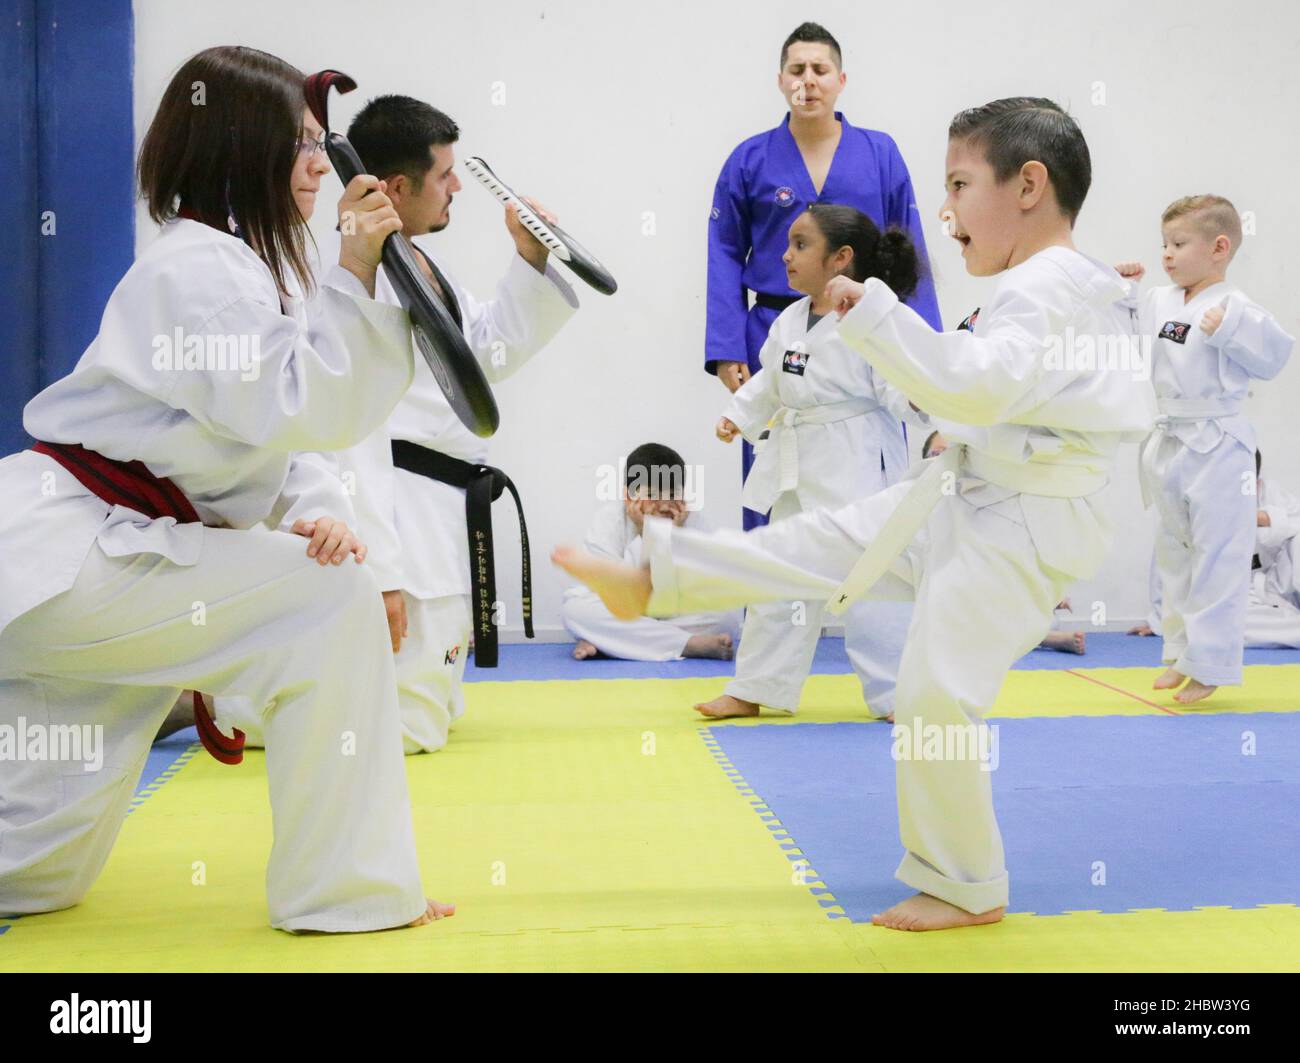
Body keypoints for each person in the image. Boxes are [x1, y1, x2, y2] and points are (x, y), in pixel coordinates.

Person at [556, 98, 1156, 931]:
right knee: (818, 542)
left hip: (1027, 518)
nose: (943, 210)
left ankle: (964, 881)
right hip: (982, 490)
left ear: (1029, 185)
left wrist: (873, 312)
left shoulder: (1050, 286)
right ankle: (655, 577)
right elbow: (1009, 386)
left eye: (958, 183)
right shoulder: (1054, 285)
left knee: (934, 688)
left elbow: (977, 381)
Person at [0, 47, 451, 931]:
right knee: (331, 604)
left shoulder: (239, 269)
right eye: (303, 143)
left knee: (31, 868)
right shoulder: (197, 270)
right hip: (82, 560)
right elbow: (304, 401)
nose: (322, 164)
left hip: (75, 576)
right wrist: (357, 269)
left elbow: (272, 443)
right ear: (243, 146)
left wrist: (318, 514)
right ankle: (350, 892)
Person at [219, 95, 579, 755]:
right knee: (411, 730)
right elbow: (348, 438)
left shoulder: (416, 265)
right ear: (394, 188)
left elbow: (482, 356)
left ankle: (234, 696)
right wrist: (377, 573)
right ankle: (221, 704)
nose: (457, 188)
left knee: (437, 705)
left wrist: (529, 258)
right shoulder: (354, 283)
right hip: (396, 518)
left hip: (438, 514)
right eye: (444, 175)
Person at [707, 21, 941, 530]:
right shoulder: (748, 160)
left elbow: (911, 245)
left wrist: (926, 352)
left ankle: (864, 603)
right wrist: (726, 347)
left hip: (869, 327)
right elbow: (725, 250)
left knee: (869, 486)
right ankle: (770, 601)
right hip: (773, 328)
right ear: (780, 80)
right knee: (771, 473)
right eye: (797, 69)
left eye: (820, 69)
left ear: (841, 79)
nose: (808, 80)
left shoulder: (880, 154)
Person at [698, 205, 924, 720]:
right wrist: (739, 413)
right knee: (779, 574)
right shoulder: (790, 319)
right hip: (799, 467)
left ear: (841, 258)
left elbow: (902, 380)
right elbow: (770, 382)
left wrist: (922, 403)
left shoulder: (873, 316)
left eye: (801, 244)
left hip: (860, 462)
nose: (785, 254)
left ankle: (897, 693)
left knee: (873, 581)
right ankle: (756, 687)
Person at [1118, 196, 1293, 702]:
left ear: (1219, 248)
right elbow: (1123, 321)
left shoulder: (1238, 308)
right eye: (1164, 245)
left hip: (1219, 445)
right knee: (1175, 552)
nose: (1167, 255)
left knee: (1219, 555)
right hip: (1170, 438)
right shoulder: (1161, 300)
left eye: (1178, 244)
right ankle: (1179, 652)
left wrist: (1232, 332)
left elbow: (1274, 358)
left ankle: (1212, 665)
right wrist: (1119, 286)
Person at [562, 444, 741, 661]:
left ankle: (611, 643)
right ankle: (688, 644)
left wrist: (672, 538)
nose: (665, 504)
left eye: (673, 494)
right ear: (629, 496)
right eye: (653, 495)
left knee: (727, 615)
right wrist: (645, 535)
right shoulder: (608, 521)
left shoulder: (693, 522)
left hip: (672, 611)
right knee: (576, 610)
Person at [925, 430, 1085, 655]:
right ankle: (1043, 638)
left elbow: (1018, 559)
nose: (946, 461)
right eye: (937, 454)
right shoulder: (917, 508)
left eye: (955, 454)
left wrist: (1050, 593)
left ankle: (1038, 634)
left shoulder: (991, 502)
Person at [1131, 449, 1300, 648]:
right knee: (1217, 628)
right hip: (1228, 598)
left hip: (1274, 586)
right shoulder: (1192, 506)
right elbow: (1167, 564)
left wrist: (1261, 517)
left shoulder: (1269, 493)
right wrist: (1160, 621)